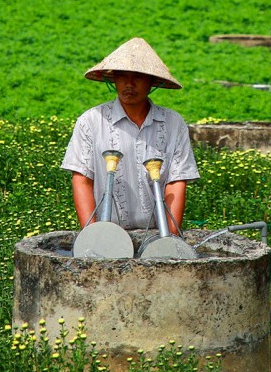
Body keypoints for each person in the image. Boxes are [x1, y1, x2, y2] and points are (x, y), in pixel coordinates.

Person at [62, 37, 198, 235]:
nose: (129, 84)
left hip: (157, 231)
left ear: (152, 82)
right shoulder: (91, 121)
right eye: (122, 76)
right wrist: (92, 235)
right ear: (113, 79)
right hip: (108, 232)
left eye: (138, 77)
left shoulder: (173, 123)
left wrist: (170, 237)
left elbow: (176, 181)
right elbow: (82, 179)